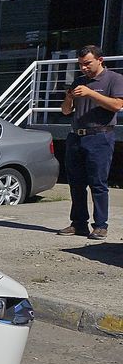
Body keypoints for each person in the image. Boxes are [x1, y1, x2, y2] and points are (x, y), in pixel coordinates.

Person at [58, 45, 122, 239]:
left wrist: (90, 93)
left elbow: (117, 105)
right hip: (76, 136)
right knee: (76, 183)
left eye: (87, 63)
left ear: (100, 60)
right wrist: (69, 98)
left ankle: (101, 225)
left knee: (98, 183)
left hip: (100, 136)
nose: (83, 68)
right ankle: (78, 224)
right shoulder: (78, 81)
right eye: (80, 64)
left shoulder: (114, 79)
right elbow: (66, 111)